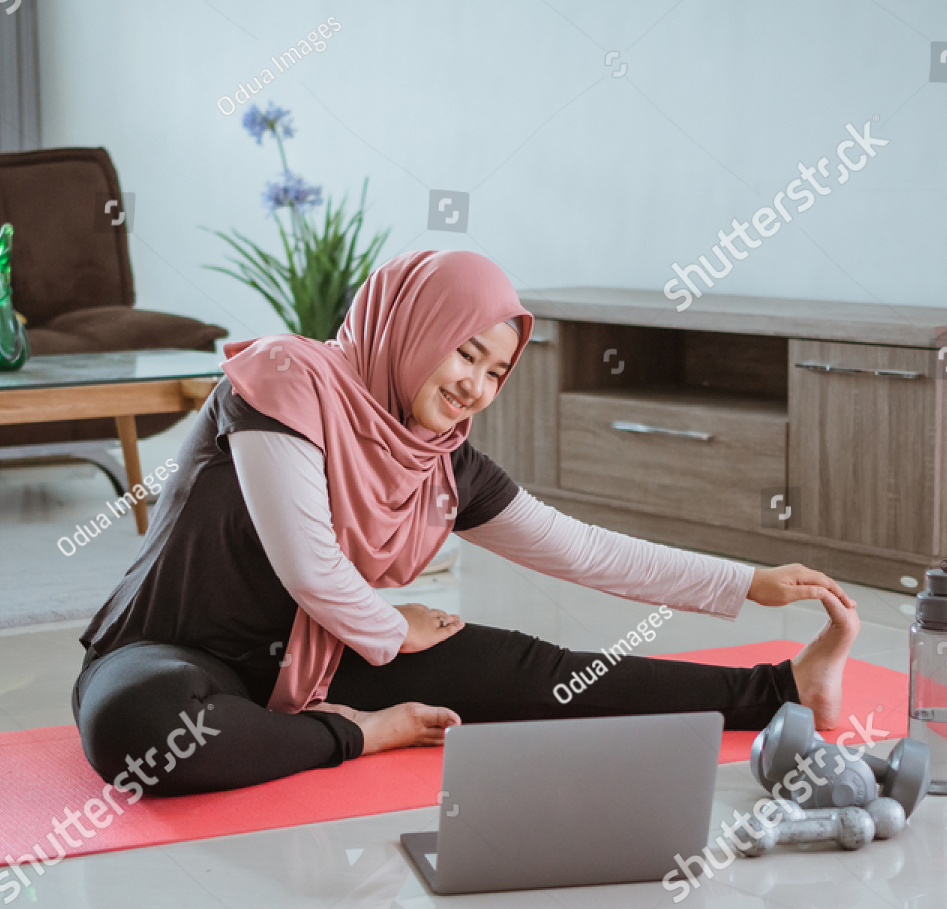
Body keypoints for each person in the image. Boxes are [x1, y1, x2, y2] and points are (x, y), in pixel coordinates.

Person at [72, 250, 859, 798]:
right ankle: (356, 734)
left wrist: (747, 582)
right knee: (134, 729)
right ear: (413, 325)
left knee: (535, 671)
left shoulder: (440, 461)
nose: (476, 388)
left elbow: (583, 550)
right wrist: (389, 628)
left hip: (313, 666)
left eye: (495, 371)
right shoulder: (284, 380)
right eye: (465, 355)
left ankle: (781, 687)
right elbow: (307, 566)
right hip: (169, 653)